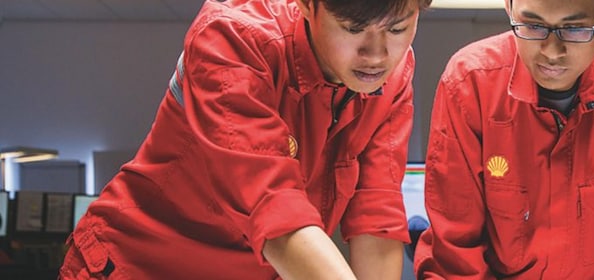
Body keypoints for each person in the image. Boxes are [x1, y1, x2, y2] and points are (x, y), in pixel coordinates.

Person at [59, 0, 429, 278]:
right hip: (138, 265)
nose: (376, 55)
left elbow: (375, 213)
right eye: (352, 28)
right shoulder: (232, 38)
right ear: (305, 4)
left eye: (397, 30)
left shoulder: (391, 75)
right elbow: (274, 208)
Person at [412, 0, 594, 278]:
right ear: (509, 7)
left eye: (574, 29)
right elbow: (456, 251)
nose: (551, 51)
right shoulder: (470, 84)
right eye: (533, 26)